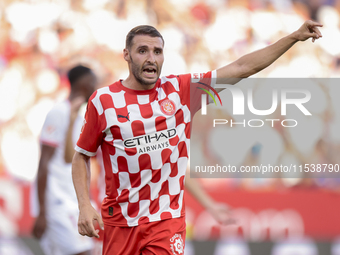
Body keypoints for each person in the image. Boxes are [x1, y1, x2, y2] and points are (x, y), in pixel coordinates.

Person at [72, 21, 322, 255]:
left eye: (157, 52)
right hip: (120, 223)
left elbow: (241, 68)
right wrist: (84, 204)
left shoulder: (181, 91)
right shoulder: (104, 101)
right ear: (126, 54)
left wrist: (293, 37)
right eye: (143, 51)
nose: (151, 59)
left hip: (165, 222)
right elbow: (81, 156)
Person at [32, 65, 97, 255]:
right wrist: (42, 211)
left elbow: (70, 158)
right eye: (93, 82)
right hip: (57, 201)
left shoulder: (77, 115)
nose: (96, 87)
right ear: (84, 84)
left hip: (70, 198)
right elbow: (44, 163)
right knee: (83, 251)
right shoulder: (58, 112)